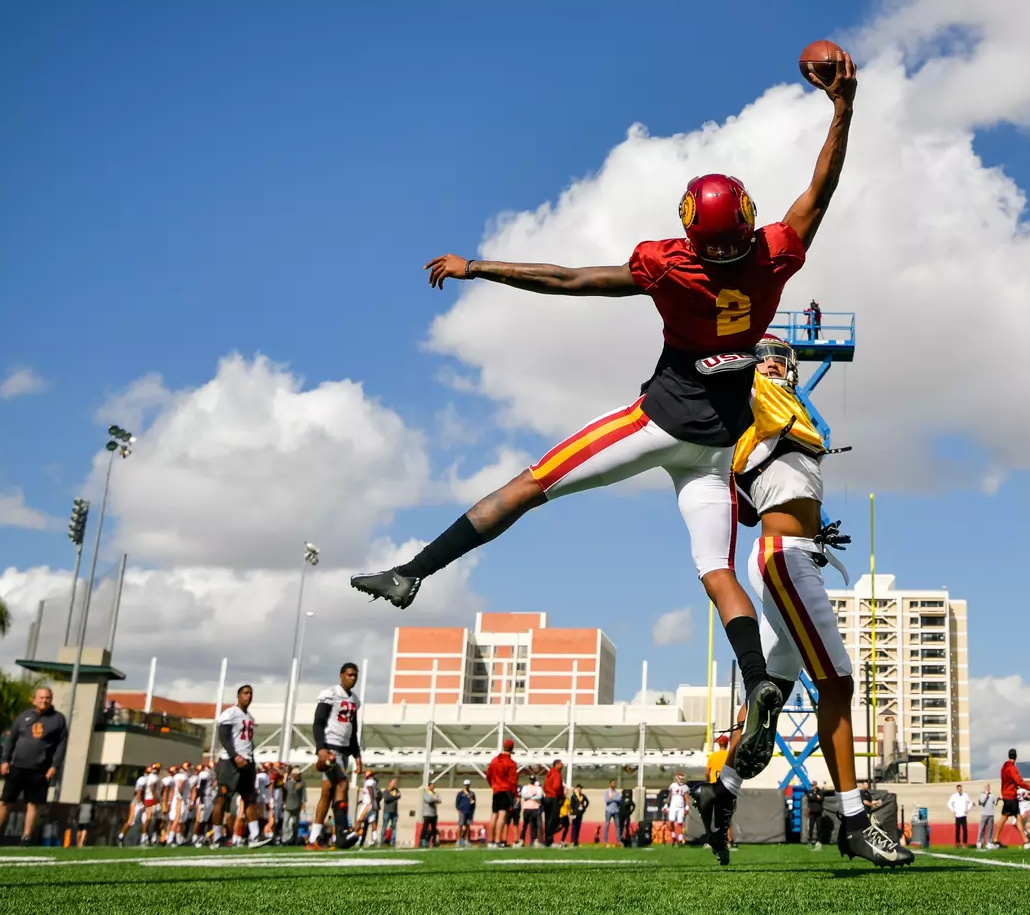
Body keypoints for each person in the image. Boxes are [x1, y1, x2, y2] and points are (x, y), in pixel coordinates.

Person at [351, 54, 859, 787]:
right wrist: (843, 108)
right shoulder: (774, 256)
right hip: (721, 450)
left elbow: (571, 281)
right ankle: (756, 683)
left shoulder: (670, 265)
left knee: (533, 486)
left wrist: (479, 266)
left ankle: (412, 572)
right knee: (717, 574)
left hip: (659, 421)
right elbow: (823, 186)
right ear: (747, 224)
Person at [694, 334, 912, 869]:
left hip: (793, 552)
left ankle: (722, 790)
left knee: (779, 685)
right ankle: (856, 821)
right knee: (838, 683)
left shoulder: (786, 416)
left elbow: (760, 501)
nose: (774, 364)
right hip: (783, 557)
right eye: (766, 357)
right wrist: (742, 360)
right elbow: (706, 366)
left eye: (779, 358)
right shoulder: (752, 402)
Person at [309, 662, 363, 850]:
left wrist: (357, 755)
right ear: (341, 675)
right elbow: (318, 723)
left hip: (344, 749)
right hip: (330, 748)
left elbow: (353, 729)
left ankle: (314, 839)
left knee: (327, 792)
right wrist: (320, 749)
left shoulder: (355, 700)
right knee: (342, 784)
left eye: (355, 675)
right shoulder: (330, 694)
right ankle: (342, 832)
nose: (352, 678)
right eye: (349, 675)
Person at [211, 684, 273, 848]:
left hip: (247, 762)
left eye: (251, 693)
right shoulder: (230, 713)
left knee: (250, 798)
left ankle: (254, 836)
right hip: (229, 762)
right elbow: (224, 738)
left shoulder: (249, 717)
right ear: (238, 696)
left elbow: (247, 742)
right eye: (245, 693)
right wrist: (234, 755)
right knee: (222, 798)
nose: (248, 696)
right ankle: (217, 837)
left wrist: (251, 759)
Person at [997, 749, 1030, 850]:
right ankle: (1026, 842)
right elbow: (1018, 781)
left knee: (1006, 818)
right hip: (1011, 796)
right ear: (1016, 756)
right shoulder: (1012, 768)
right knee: (1017, 819)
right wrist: (1029, 788)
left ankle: (995, 840)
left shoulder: (1004, 767)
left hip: (1006, 795)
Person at [486, 738, 519, 847]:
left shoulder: (494, 760)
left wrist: (494, 785)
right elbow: (513, 781)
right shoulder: (511, 763)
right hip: (506, 790)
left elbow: (488, 775)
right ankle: (497, 840)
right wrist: (515, 794)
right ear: (512, 749)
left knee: (494, 814)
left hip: (496, 790)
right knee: (502, 814)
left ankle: (490, 841)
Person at [542, 759, 566, 847]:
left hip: (547, 798)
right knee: (554, 819)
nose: (562, 765)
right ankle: (550, 839)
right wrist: (560, 796)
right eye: (560, 763)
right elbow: (556, 787)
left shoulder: (549, 774)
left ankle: (547, 839)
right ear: (556, 764)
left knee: (548, 819)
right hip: (553, 798)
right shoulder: (557, 774)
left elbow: (544, 786)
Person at [665, 772, 690, 846]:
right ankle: (673, 836)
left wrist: (687, 807)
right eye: (681, 779)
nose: (682, 781)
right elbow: (669, 796)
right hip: (673, 806)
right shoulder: (673, 786)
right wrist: (666, 805)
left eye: (683, 779)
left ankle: (679, 839)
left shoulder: (685, 787)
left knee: (680, 823)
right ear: (677, 779)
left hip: (681, 807)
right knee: (671, 821)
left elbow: (687, 798)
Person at [282, 768, 305, 846]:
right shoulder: (288, 783)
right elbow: (284, 789)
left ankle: (294, 837)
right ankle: (285, 838)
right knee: (285, 822)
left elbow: (303, 796)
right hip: (288, 806)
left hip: (296, 806)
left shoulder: (301, 783)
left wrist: (303, 805)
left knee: (295, 823)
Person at [519, 775, 543, 846]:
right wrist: (533, 796)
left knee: (534, 825)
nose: (532, 781)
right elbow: (523, 795)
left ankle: (534, 840)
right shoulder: (525, 787)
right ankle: (522, 839)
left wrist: (529, 796)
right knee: (525, 825)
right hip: (527, 808)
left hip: (535, 808)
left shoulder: (538, 788)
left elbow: (539, 796)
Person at [947, 784, 973, 848]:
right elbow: (949, 804)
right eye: (959, 788)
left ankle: (964, 843)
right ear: (957, 789)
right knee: (957, 829)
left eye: (961, 788)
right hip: (957, 815)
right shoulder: (954, 796)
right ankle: (957, 843)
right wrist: (953, 810)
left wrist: (967, 809)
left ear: (962, 789)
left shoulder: (965, 795)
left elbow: (971, 802)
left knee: (965, 829)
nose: (960, 789)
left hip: (964, 815)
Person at [455, 779, 477, 849]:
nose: (467, 786)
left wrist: (472, 810)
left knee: (468, 826)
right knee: (460, 826)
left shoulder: (472, 794)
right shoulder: (460, 793)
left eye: (468, 785)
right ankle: (458, 840)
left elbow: (473, 803)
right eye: (465, 785)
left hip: (469, 812)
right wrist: (459, 809)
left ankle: (466, 840)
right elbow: (457, 802)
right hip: (462, 812)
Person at [601, 780, 622, 847]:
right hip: (609, 811)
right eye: (612, 783)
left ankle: (618, 841)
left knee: (618, 826)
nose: (614, 784)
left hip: (616, 811)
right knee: (607, 825)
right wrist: (614, 799)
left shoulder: (617, 792)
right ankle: (605, 841)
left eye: (614, 783)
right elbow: (606, 800)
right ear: (610, 784)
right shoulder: (607, 792)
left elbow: (620, 799)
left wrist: (612, 798)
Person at [976, 784, 997, 850]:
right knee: (982, 828)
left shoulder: (992, 795)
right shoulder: (982, 794)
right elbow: (982, 801)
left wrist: (998, 799)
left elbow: (995, 803)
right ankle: (980, 842)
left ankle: (989, 843)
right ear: (984, 788)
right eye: (986, 787)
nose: (988, 788)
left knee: (990, 829)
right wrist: (986, 795)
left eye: (988, 787)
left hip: (991, 814)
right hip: (984, 814)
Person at [420, 782, 440, 847]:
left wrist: (435, 799)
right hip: (427, 814)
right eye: (431, 786)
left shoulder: (435, 793)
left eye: (433, 786)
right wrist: (435, 799)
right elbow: (428, 800)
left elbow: (439, 800)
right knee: (425, 828)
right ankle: (423, 841)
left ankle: (434, 842)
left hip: (434, 814)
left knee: (434, 829)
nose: (433, 787)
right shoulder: (426, 793)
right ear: (429, 786)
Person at [382, 778, 401, 846]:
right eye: (393, 783)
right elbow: (386, 798)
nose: (394, 784)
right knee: (384, 826)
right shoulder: (386, 791)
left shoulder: (397, 790)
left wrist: (393, 797)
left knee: (394, 827)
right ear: (390, 783)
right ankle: (382, 841)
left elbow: (399, 796)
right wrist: (395, 797)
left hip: (394, 812)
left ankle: (393, 841)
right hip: (387, 811)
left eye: (395, 783)